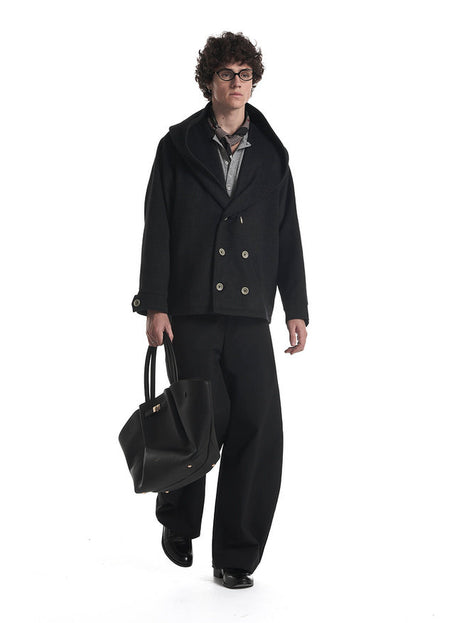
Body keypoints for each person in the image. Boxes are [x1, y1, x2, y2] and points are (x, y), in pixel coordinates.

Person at [131, 31, 309, 589]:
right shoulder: (177, 147)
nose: (237, 83)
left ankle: (235, 555)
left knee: (259, 428)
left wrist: (296, 307)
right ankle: (179, 519)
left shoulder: (273, 155)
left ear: (254, 82)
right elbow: (158, 227)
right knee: (199, 422)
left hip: (250, 311)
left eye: (244, 74)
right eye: (227, 74)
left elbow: (287, 233)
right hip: (191, 309)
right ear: (209, 81)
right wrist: (155, 304)